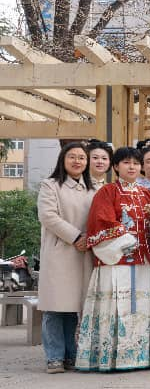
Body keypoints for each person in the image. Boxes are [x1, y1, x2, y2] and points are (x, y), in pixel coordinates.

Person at [76, 146, 150, 371]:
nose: (132, 167)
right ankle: (109, 357)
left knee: (142, 308)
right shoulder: (107, 192)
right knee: (114, 307)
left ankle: (142, 356)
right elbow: (100, 221)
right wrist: (126, 238)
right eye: (126, 163)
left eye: (136, 163)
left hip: (144, 261)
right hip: (115, 259)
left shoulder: (147, 194)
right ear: (115, 166)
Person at [36, 142, 95, 374]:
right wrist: (76, 236)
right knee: (54, 307)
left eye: (82, 157)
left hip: (84, 252)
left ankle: (70, 354)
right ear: (63, 159)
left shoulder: (93, 189)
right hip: (59, 252)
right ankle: (54, 357)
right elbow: (48, 216)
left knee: (72, 307)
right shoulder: (50, 185)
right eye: (72, 156)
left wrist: (89, 237)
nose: (77, 161)